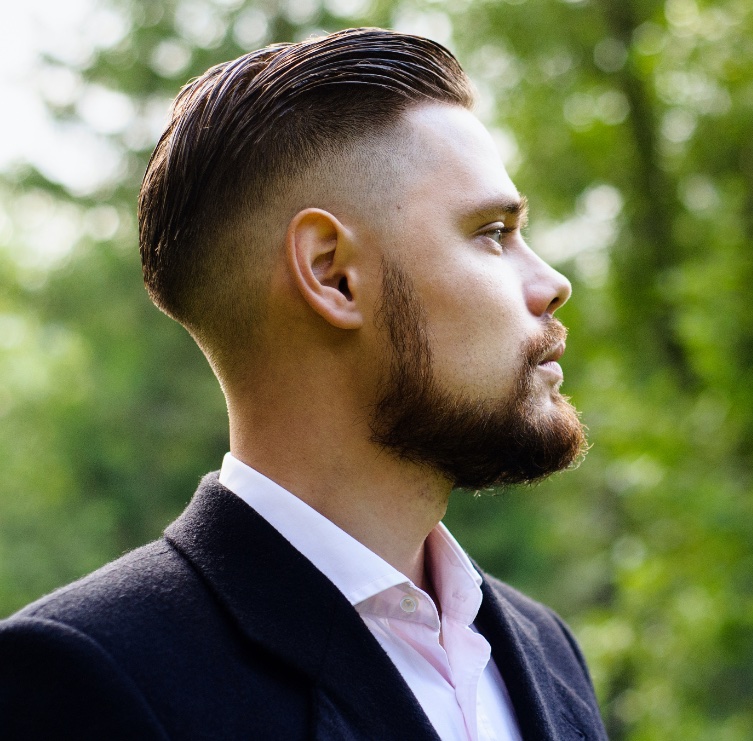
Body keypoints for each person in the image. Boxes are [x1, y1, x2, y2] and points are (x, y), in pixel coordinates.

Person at [0, 27, 606, 740]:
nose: (552, 283)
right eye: (492, 232)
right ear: (332, 274)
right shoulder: (82, 678)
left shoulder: (547, 651)